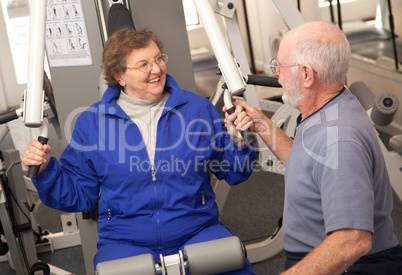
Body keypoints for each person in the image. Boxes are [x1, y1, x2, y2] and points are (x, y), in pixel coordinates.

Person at [22, 28, 257, 274]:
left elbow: (236, 173)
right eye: (143, 64)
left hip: (197, 229)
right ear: (119, 76)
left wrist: (238, 144)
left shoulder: (197, 109)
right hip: (126, 239)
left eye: (158, 59)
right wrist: (47, 170)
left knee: (235, 268)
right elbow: (78, 195)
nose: (156, 69)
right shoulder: (92, 123)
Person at [232, 21, 402, 274]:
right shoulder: (329, 108)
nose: (276, 73)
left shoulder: (340, 139)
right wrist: (261, 124)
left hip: (349, 265)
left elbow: (352, 240)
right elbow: (309, 165)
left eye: (279, 66)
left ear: (306, 75)